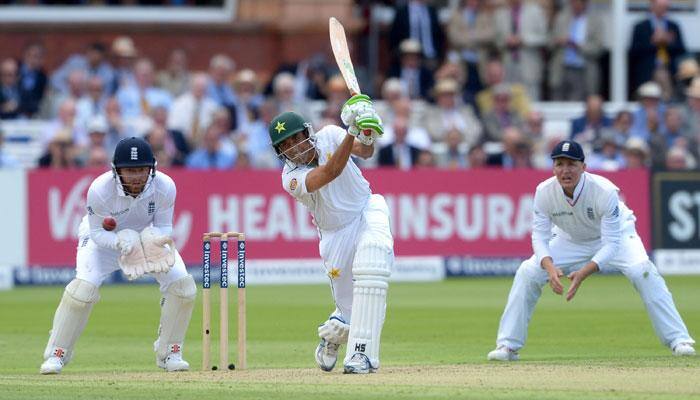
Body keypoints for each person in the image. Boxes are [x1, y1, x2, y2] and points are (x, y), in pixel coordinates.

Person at [487, 140, 695, 361]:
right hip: (570, 240)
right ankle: (507, 346)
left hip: (618, 237)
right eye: (559, 164)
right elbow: (539, 236)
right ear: (553, 167)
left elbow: (612, 244)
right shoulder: (544, 191)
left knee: (642, 271)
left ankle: (678, 339)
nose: (565, 170)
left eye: (571, 164)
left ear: (583, 167)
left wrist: (584, 272)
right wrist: (549, 267)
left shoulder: (604, 191)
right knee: (527, 272)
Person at [40, 137, 196, 374]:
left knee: (183, 287)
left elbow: (164, 227)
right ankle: (56, 355)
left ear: (151, 169)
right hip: (104, 243)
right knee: (82, 292)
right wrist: (121, 242)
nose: (136, 177)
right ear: (116, 170)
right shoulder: (100, 190)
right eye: (129, 171)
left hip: (146, 241)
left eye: (141, 170)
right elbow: (95, 232)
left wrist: (153, 242)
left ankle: (170, 352)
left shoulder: (165, 186)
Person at [269, 94, 393, 374]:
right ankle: (333, 333)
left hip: (366, 207)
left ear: (307, 133)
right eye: (285, 145)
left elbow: (365, 152)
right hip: (335, 234)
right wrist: (351, 130)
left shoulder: (330, 135)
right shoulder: (290, 178)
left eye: (295, 138)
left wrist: (367, 129)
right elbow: (330, 172)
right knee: (351, 311)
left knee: (373, 273)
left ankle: (362, 357)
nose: (293, 147)